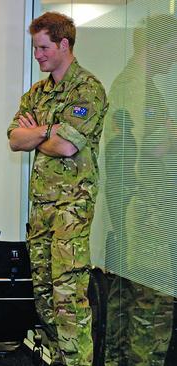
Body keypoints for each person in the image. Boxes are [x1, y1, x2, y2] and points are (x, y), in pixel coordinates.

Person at [7, 12, 108, 365]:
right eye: (35, 48)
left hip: (71, 211)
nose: (37, 55)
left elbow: (68, 146)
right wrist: (50, 132)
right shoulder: (37, 92)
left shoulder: (88, 89)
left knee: (69, 300)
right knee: (45, 297)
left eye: (43, 47)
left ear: (64, 45)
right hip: (41, 212)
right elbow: (14, 139)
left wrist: (39, 133)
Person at [102, 14, 177, 366]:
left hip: (137, 212)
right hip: (145, 214)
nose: (175, 57)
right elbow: (144, 147)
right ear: (155, 46)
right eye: (172, 48)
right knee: (153, 307)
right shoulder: (135, 87)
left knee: (126, 307)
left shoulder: (139, 85)